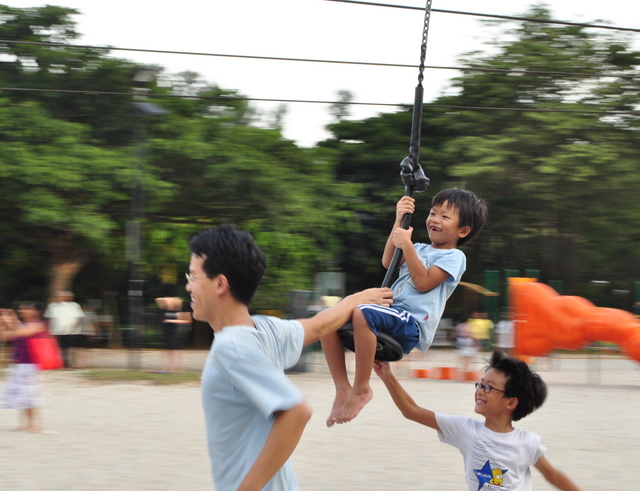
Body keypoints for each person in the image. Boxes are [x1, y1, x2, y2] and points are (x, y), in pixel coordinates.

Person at [186, 224, 393, 491]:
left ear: (220, 283)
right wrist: (359, 298)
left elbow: (296, 411)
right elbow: (320, 326)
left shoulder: (232, 346)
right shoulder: (263, 329)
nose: (188, 285)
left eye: (193, 276)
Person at [321, 187, 488, 426]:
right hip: (391, 315)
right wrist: (398, 220)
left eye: (444, 216)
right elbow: (388, 261)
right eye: (433, 213)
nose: (435, 219)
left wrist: (407, 246)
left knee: (362, 312)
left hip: (412, 324)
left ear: (462, 230)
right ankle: (342, 387)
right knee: (328, 318)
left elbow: (422, 283)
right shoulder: (418, 247)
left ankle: (362, 388)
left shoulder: (454, 257)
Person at [373, 351, 581, 490]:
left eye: (489, 387)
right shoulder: (465, 430)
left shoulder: (527, 442)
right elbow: (411, 411)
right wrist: (387, 376)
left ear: (511, 403)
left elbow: (552, 475)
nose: (480, 391)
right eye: (480, 385)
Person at [0, 302, 47, 432]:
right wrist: (4, 322)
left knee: (31, 394)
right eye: (23, 309)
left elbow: (23, 332)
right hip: (19, 363)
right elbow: (4, 336)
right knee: (21, 394)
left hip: (30, 363)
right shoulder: (19, 325)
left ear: (36, 311)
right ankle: (25, 424)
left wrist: (12, 319)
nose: (24, 311)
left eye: (28, 309)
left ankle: (36, 424)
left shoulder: (38, 324)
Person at [44, 291, 84, 368]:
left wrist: (74, 328)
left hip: (71, 331)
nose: (59, 298)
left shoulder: (74, 306)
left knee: (72, 348)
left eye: (61, 296)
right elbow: (48, 318)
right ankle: (62, 362)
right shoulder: (52, 306)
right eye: (57, 296)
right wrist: (47, 329)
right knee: (59, 347)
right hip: (56, 330)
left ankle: (72, 363)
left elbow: (79, 318)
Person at [154, 296, 192, 373]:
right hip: (166, 332)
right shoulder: (167, 309)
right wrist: (167, 298)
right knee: (165, 351)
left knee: (175, 352)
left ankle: (176, 369)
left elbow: (187, 321)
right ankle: (164, 368)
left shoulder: (180, 311)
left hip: (175, 332)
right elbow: (157, 300)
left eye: (175, 301)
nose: (172, 302)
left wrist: (170, 320)